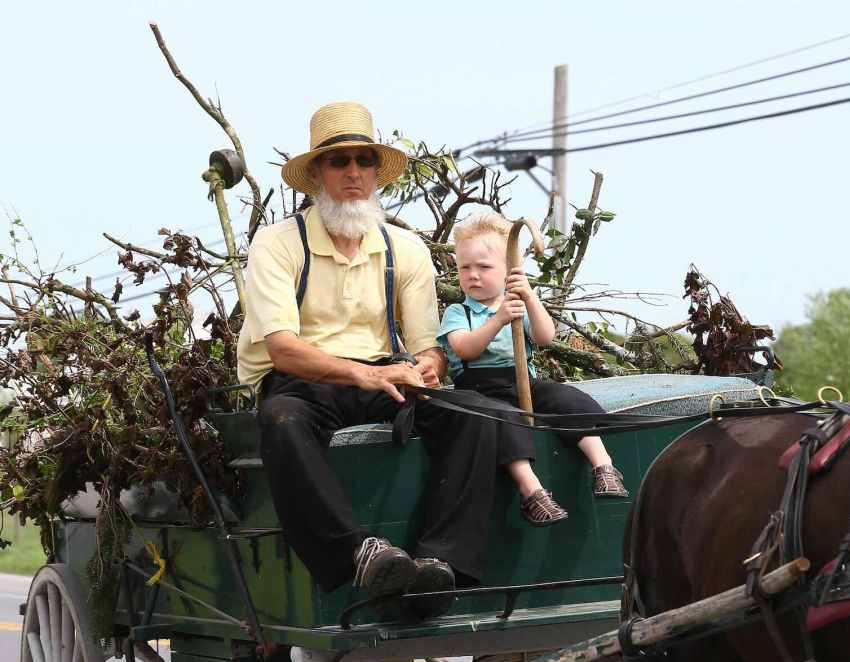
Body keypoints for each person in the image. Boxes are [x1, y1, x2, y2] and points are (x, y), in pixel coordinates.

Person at [237, 101, 501, 619]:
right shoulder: (278, 243)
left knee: (476, 414)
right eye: (340, 162)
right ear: (316, 174)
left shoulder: (404, 248)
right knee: (281, 422)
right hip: (302, 381)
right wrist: (369, 373)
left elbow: (428, 344)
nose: (353, 173)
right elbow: (282, 348)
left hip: (383, 378)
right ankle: (359, 554)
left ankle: (439, 564)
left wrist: (428, 367)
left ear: (376, 172)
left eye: (363, 161)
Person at [437, 211, 629, 527]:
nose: (473, 275)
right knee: (504, 420)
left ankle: (604, 466)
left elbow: (545, 336)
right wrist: (497, 320)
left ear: (508, 271)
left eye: (484, 267)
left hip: (522, 380)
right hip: (480, 390)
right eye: (464, 268)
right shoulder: (458, 312)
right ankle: (533, 492)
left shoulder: (519, 302)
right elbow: (463, 348)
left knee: (566, 399)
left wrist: (528, 296)